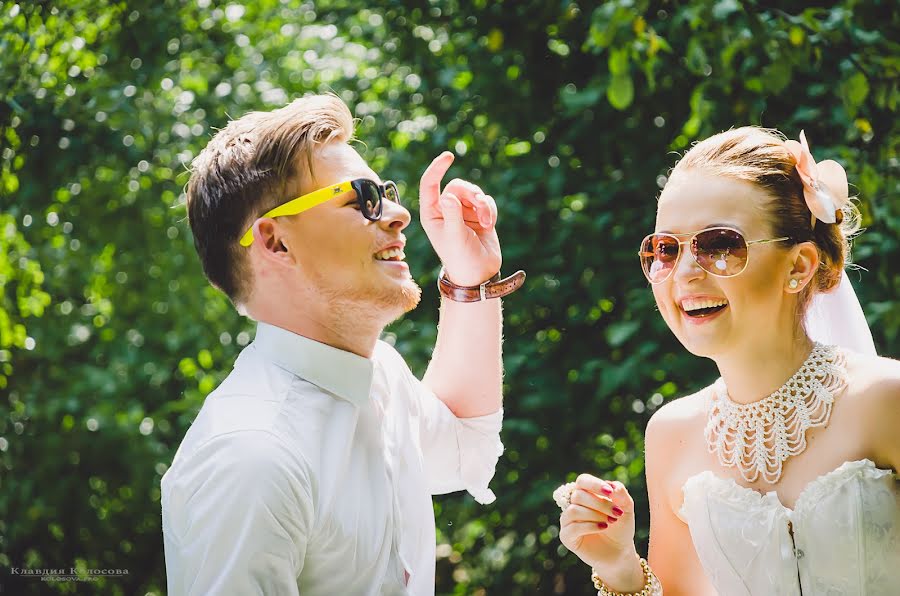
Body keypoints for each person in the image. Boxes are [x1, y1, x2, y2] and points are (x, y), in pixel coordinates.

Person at [161, 94, 525, 595]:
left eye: (387, 192)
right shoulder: (252, 458)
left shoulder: (382, 375)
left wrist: (469, 278)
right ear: (275, 242)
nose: (399, 214)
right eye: (363, 198)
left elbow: (467, 440)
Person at [555, 127, 900, 595]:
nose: (684, 273)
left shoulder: (885, 400)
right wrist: (619, 567)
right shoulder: (670, 434)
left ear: (798, 266)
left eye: (719, 245)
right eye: (665, 249)